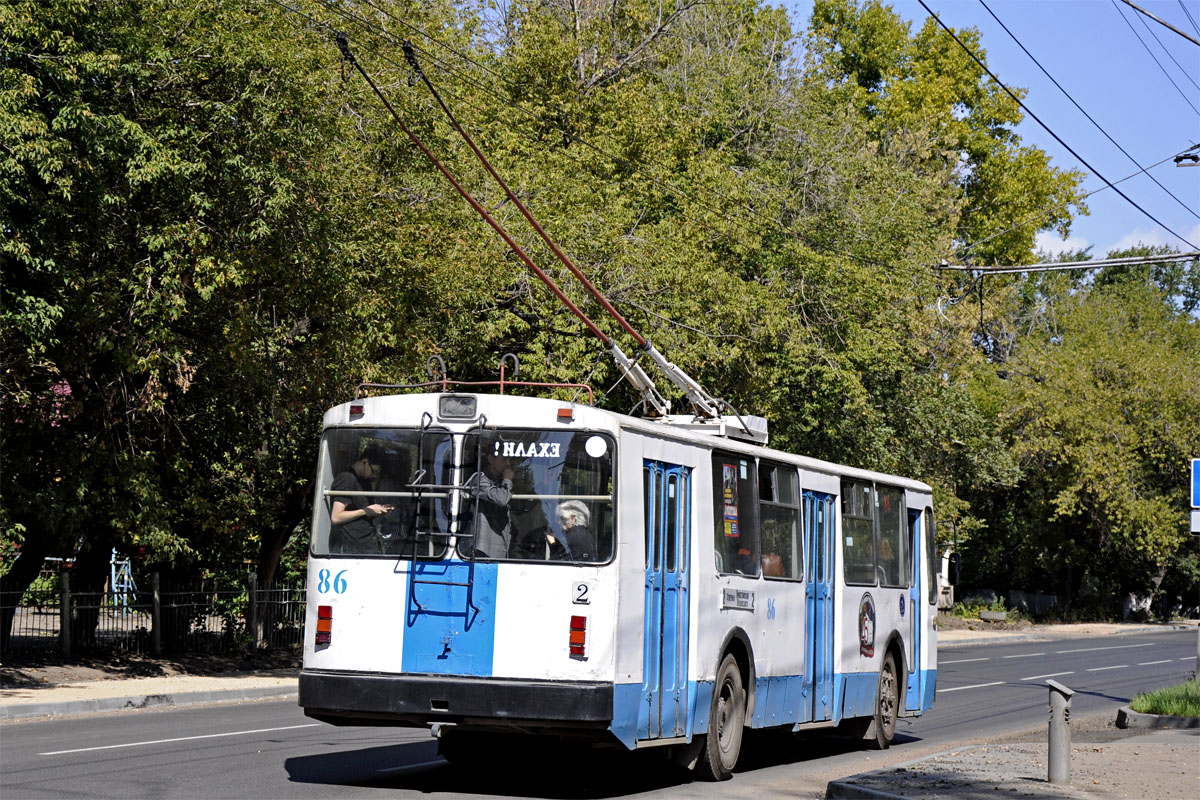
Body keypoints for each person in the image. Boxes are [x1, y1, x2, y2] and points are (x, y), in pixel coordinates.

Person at [330, 445, 393, 554]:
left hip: (367, 542)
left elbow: (365, 508)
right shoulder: (347, 479)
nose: (374, 476)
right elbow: (336, 517)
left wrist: (379, 509)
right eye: (373, 471)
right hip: (352, 545)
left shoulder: (364, 480)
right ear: (365, 462)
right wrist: (366, 511)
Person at [464, 448, 514, 559]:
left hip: (500, 543)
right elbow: (501, 499)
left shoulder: (499, 480)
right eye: (504, 459)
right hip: (483, 547)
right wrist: (507, 480)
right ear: (491, 459)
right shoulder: (479, 479)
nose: (508, 464)